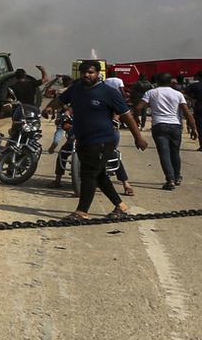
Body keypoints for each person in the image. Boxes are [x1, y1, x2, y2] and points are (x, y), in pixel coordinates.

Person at [44, 59, 148, 221]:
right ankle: (120, 206)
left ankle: (82, 211)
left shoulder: (109, 92)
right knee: (99, 175)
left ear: (98, 74)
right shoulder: (76, 89)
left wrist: (138, 138)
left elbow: (127, 116)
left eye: (91, 72)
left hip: (102, 140)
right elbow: (61, 100)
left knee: (88, 175)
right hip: (83, 138)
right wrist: (50, 107)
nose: (87, 75)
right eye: (84, 72)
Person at [143, 72, 199, 190]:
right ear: (170, 82)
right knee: (175, 152)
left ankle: (170, 180)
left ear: (157, 81)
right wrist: (193, 128)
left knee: (164, 153)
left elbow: (138, 107)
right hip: (175, 126)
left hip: (159, 125)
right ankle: (177, 177)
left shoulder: (151, 93)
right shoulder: (178, 94)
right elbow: (187, 112)